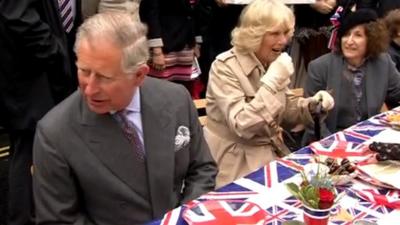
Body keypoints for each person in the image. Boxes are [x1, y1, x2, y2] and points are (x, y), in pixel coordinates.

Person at [32, 12, 217, 225]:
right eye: (84, 71)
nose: (89, 89)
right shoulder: (55, 132)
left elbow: (203, 169)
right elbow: (58, 220)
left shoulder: (176, 100)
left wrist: (182, 219)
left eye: (104, 77)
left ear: (139, 75)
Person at [203, 0, 335, 188]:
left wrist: (313, 106)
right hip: (233, 163)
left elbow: (287, 113)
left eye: (286, 32)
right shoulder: (224, 66)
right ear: (254, 34)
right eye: (274, 33)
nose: (283, 41)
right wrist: (272, 82)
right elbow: (242, 125)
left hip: (270, 153)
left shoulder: (270, 60)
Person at [0, 0, 80, 224]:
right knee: (28, 146)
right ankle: (22, 218)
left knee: (47, 146)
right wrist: (55, 50)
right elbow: (16, 14)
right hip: (30, 72)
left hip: (53, 68)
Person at [304, 9, 400, 142]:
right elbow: (310, 118)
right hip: (330, 139)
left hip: (370, 138)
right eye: (346, 35)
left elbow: (397, 92)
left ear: (372, 38)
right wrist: (333, 143)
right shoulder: (319, 67)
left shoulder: (383, 62)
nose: (349, 41)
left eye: (358, 35)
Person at [139, 0, 205, 98]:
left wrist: (196, 41)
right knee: (159, 91)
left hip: (186, 45)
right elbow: (150, 15)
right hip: (164, 46)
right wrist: (157, 51)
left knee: (184, 90)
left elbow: (194, 13)